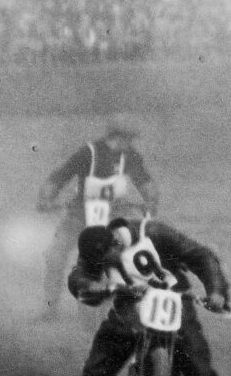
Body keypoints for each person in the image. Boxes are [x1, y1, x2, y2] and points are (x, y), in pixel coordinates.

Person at [58, 216, 231, 376]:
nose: (105, 264)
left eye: (108, 258)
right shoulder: (95, 245)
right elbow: (79, 276)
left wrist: (216, 291)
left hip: (174, 306)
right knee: (94, 373)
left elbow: (201, 255)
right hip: (128, 312)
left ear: (116, 242)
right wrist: (90, 286)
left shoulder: (153, 232)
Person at [36, 122, 156, 316]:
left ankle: (124, 304)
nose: (131, 143)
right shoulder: (88, 153)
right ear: (116, 137)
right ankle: (50, 307)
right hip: (78, 216)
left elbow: (145, 182)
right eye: (128, 139)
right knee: (55, 256)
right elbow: (60, 177)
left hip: (113, 217)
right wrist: (46, 198)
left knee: (128, 256)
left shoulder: (130, 156)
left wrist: (151, 201)